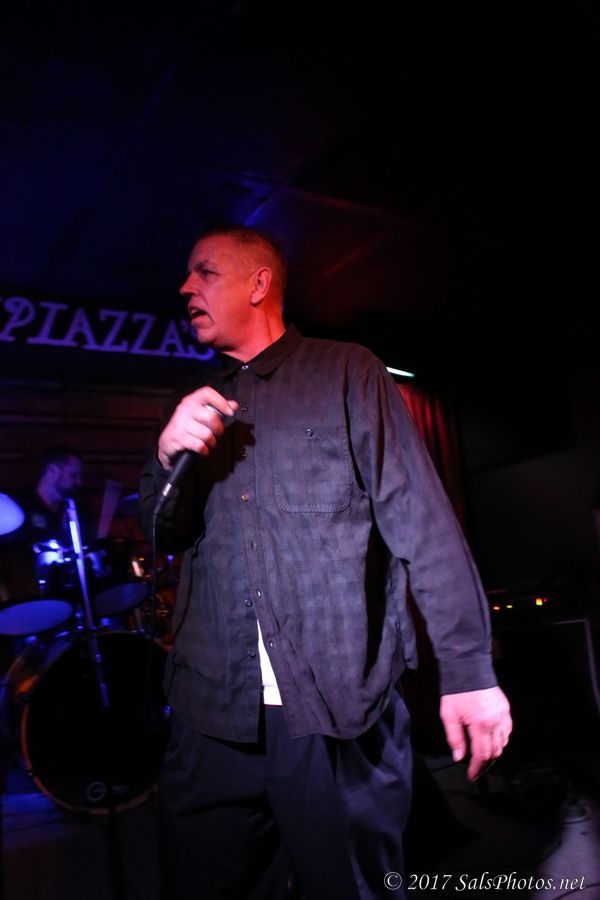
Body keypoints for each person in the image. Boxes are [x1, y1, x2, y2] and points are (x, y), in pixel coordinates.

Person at [139, 226, 512, 900]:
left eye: (205, 272)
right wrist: (169, 458)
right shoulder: (190, 402)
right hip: (211, 714)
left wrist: (469, 670)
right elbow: (164, 532)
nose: (185, 288)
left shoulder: (346, 371)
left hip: (336, 708)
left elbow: (421, 522)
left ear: (259, 284)